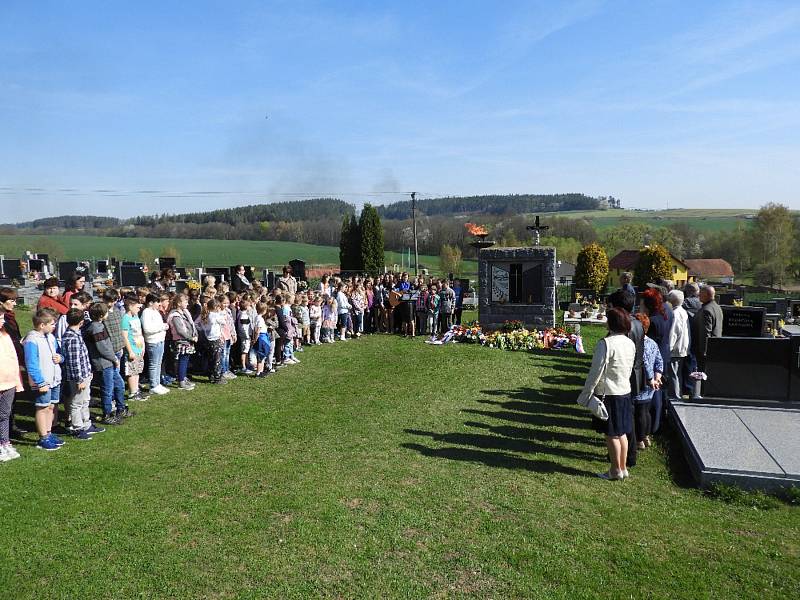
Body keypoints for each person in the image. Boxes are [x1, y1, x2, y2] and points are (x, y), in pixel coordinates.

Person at [577, 307, 636, 481]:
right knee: (622, 433)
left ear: (611, 323)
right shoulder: (629, 342)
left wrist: (587, 393)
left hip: (608, 393)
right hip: (624, 391)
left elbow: (596, 371)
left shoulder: (606, 343)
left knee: (611, 434)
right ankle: (623, 468)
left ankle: (615, 470)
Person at [606, 289, 645, 468]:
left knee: (622, 421)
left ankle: (627, 456)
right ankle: (626, 454)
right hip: (635, 372)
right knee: (627, 417)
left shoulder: (624, 327)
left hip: (624, 375)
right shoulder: (638, 323)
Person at [22, 310, 65, 451]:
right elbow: (31, 364)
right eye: (52, 324)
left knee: (52, 406)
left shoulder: (50, 337)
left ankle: (49, 433)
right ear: (42, 325)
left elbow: (58, 354)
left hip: (54, 379)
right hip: (43, 381)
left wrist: (61, 358)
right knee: (42, 408)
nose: (54, 326)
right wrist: (40, 382)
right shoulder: (31, 340)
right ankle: (43, 438)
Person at [61, 308, 104, 439]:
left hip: (85, 374)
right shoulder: (72, 338)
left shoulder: (76, 334)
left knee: (85, 400)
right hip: (78, 377)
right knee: (77, 402)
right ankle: (77, 427)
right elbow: (74, 362)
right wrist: (80, 380)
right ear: (81, 322)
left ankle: (86, 424)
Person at [84, 302, 126, 425]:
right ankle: (107, 414)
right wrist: (114, 358)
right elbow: (103, 348)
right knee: (107, 389)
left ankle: (121, 408)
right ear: (102, 315)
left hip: (108, 362)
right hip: (104, 363)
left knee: (119, 384)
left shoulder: (98, 325)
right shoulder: (96, 328)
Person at [640, 287, 673, 433]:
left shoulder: (652, 321)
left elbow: (649, 344)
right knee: (659, 390)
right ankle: (657, 422)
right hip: (664, 353)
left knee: (653, 392)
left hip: (655, 358)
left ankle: (652, 425)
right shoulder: (666, 313)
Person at [631, 313, 663, 450]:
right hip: (652, 384)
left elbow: (643, 362)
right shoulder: (653, 343)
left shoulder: (638, 344)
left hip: (642, 382)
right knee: (646, 411)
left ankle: (639, 439)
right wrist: (658, 377)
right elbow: (659, 361)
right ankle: (646, 436)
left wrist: (651, 379)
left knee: (639, 413)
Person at [0, 305, 23, 461]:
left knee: (5, 414)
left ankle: (5, 442)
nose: (3, 321)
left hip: (9, 380)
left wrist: (17, 380)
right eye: (0, 318)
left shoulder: (6, 335)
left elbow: (13, 358)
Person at [691, 285, 723, 400]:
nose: (699, 295)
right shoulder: (717, 307)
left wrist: (703, 351)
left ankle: (702, 395)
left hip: (705, 350)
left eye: (701, 293)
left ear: (707, 295)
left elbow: (706, 332)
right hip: (715, 347)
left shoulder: (706, 310)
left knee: (703, 374)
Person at [141, 293, 171, 395]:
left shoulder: (155, 312)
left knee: (158, 363)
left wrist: (163, 325)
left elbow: (157, 324)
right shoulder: (146, 312)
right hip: (153, 341)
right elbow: (147, 329)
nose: (159, 304)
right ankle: (153, 385)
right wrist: (162, 327)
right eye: (157, 302)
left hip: (160, 340)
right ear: (150, 303)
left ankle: (157, 383)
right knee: (154, 364)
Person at [120, 294, 148, 400]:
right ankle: (132, 392)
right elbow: (125, 337)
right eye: (137, 307)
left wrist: (143, 346)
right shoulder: (125, 319)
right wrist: (130, 351)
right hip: (132, 349)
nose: (139, 309)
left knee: (137, 370)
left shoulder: (136, 317)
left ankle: (136, 390)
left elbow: (140, 332)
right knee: (132, 371)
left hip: (139, 347)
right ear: (130, 306)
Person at [167, 294, 197, 390]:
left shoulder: (185, 312)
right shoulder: (175, 315)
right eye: (185, 302)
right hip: (181, 340)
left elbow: (191, 325)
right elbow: (180, 330)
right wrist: (191, 338)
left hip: (188, 340)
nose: (187, 304)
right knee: (182, 361)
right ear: (179, 303)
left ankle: (183, 377)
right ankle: (181, 381)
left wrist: (195, 335)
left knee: (185, 360)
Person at [666, 290, 690, 401]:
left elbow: (673, 333)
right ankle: (678, 395)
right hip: (682, 348)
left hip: (675, 349)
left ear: (672, 300)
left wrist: (668, 349)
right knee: (677, 374)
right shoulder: (683, 311)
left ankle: (675, 398)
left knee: (673, 375)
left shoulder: (675, 314)